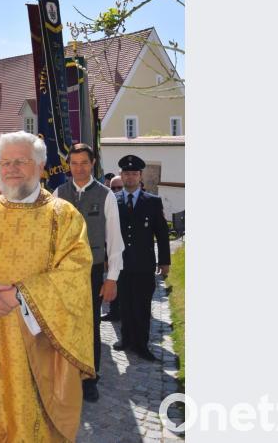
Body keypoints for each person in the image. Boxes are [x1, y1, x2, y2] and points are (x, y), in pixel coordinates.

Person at [0, 131, 94, 442]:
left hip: (40, 343)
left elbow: (75, 271)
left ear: (40, 166)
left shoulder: (65, 217)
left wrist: (21, 294)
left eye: (21, 161)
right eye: (5, 162)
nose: (10, 169)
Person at [52, 143, 124, 402]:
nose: (79, 168)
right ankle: (66, 375)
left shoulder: (106, 195)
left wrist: (112, 278)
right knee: (64, 324)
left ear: (92, 164)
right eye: (74, 163)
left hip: (92, 271)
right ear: (68, 165)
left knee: (90, 325)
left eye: (84, 162)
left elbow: (114, 241)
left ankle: (90, 377)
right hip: (63, 272)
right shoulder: (58, 193)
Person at [113, 154, 171, 361]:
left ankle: (141, 344)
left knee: (142, 306)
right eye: (126, 173)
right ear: (121, 175)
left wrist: (164, 261)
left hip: (144, 264)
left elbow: (162, 234)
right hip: (121, 264)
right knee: (125, 304)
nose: (130, 177)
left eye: (134, 173)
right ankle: (126, 339)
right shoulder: (113, 201)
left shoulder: (152, 202)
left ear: (140, 176)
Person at [102, 175, 126, 322]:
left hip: (130, 253)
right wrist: (106, 258)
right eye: (113, 188)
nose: (116, 190)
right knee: (113, 281)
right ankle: (114, 312)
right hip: (113, 253)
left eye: (119, 187)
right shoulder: (108, 202)